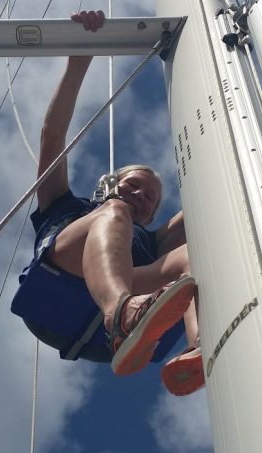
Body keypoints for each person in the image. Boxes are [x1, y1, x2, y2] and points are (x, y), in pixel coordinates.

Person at [18, 9, 203, 396]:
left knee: (196, 254)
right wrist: (79, 59)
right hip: (61, 285)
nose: (140, 196)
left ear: (153, 215)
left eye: (149, 199)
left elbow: (203, 206)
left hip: (121, 311)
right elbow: (52, 138)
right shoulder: (66, 207)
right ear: (108, 184)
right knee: (113, 215)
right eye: (134, 186)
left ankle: (199, 345)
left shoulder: (148, 244)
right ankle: (122, 313)